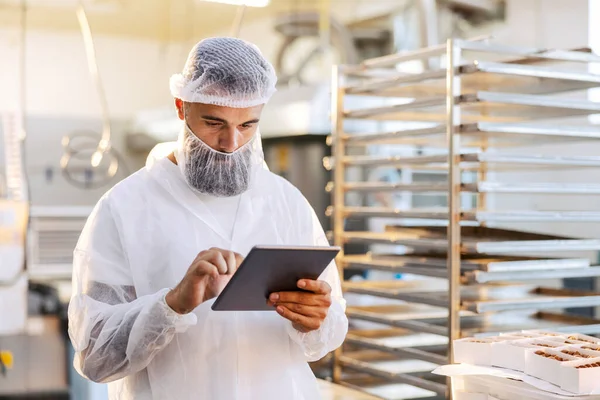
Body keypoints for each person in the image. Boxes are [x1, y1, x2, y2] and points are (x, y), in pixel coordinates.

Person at [68, 37, 348, 400]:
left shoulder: (286, 202)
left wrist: (315, 319)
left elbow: (330, 328)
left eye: (247, 125)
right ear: (181, 107)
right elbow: (96, 357)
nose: (231, 143)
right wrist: (172, 304)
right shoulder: (124, 208)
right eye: (214, 122)